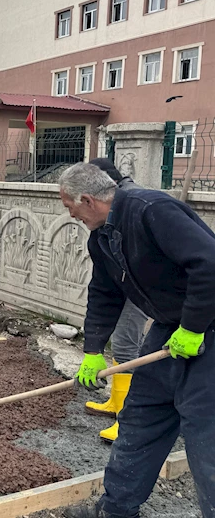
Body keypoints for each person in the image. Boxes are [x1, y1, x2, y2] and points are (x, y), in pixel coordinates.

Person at [56, 162, 215, 518]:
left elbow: (209, 263)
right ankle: (115, 510)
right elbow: (104, 292)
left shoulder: (151, 210)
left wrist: (193, 327)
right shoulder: (102, 237)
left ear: (86, 200)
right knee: (141, 418)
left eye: (70, 208)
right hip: (169, 329)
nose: (71, 215)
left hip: (207, 328)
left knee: (206, 436)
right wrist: (93, 350)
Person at [84, 158, 150, 443]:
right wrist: (92, 347)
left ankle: (128, 419)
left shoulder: (133, 207)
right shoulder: (109, 214)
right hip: (122, 284)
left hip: (142, 285)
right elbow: (100, 286)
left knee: (126, 343)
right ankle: (116, 402)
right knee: (120, 342)